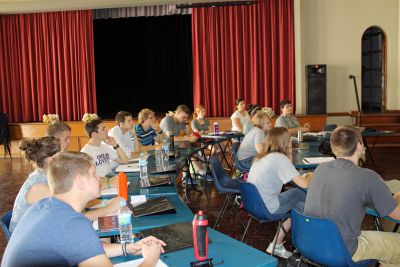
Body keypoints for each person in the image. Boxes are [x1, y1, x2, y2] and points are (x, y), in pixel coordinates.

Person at [2, 152, 166, 267]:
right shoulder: (73, 223)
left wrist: (128, 247)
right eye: (93, 174)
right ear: (80, 181)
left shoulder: (44, 206)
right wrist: (150, 259)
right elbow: (78, 239)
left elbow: (83, 247)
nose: (99, 178)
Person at [304, 126, 400, 266]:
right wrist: (395, 199)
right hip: (343, 250)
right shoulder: (368, 177)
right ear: (360, 146)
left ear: (333, 146)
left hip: (312, 242)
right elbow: (395, 213)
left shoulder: (320, 169)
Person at [9, 137, 122, 235]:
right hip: (33, 246)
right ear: (52, 159)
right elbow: (75, 216)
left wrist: (104, 203)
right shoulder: (39, 186)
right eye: (63, 155)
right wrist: (109, 207)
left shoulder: (49, 176)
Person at [247, 127, 312, 259]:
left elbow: (289, 174)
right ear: (285, 142)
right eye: (289, 140)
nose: (291, 142)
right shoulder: (279, 158)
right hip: (269, 207)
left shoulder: (261, 157)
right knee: (302, 194)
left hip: (254, 204)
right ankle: (305, 243)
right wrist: (311, 175)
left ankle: (278, 244)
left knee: (297, 201)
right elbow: (305, 184)